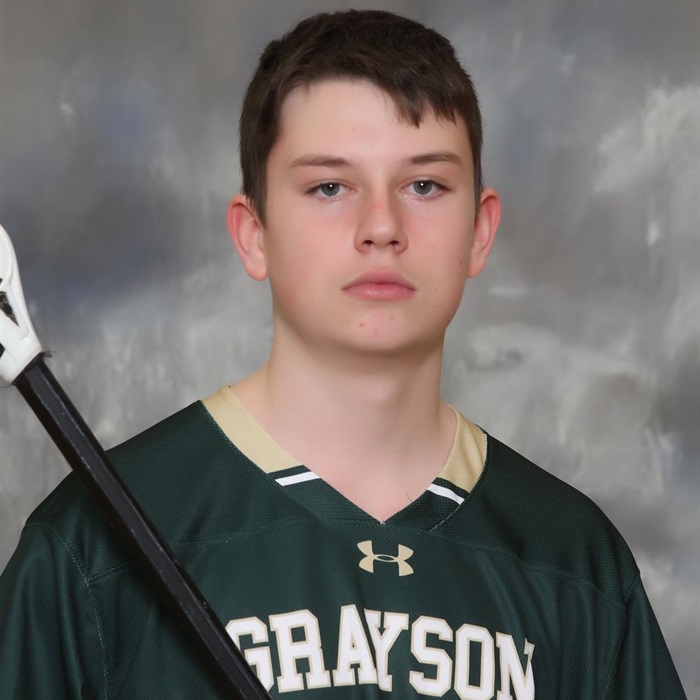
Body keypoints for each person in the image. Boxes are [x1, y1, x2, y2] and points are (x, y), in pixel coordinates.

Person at [0, 9, 686, 699]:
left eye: (424, 185)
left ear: (479, 231)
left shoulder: (574, 562)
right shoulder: (90, 551)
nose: (381, 227)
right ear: (254, 234)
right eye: (329, 187)